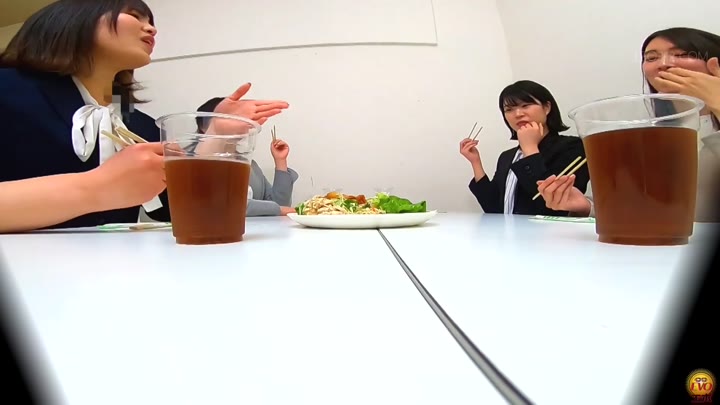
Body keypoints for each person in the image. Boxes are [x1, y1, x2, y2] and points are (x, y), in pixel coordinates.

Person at [0, 0, 289, 233]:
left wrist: (217, 133)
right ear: (75, 16)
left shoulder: (138, 124)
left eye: (150, 20)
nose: (151, 28)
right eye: (134, 15)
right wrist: (97, 188)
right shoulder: (7, 89)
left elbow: (183, 209)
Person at [536, 27, 720, 221]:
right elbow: (637, 210)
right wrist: (586, 206)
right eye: (651, 58)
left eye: (681, 54)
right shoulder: (638, 131)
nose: (664, 64)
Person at [459, 80, 590, 215]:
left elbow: (554, 208)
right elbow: (493, 208)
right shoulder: (506, 156)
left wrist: (530, 148)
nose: (518, 114)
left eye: (526, 105)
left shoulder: (573, 146)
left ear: (547, 107)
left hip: (550, 229)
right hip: (509, 229)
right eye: (509, 109)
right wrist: (475, 162)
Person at [197, 97, 299, 216]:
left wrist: (280, 161)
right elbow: (221, 202)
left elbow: (280, 204)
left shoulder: (250, 166)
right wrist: (281, 210)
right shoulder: (193, 164)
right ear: (204, 127)